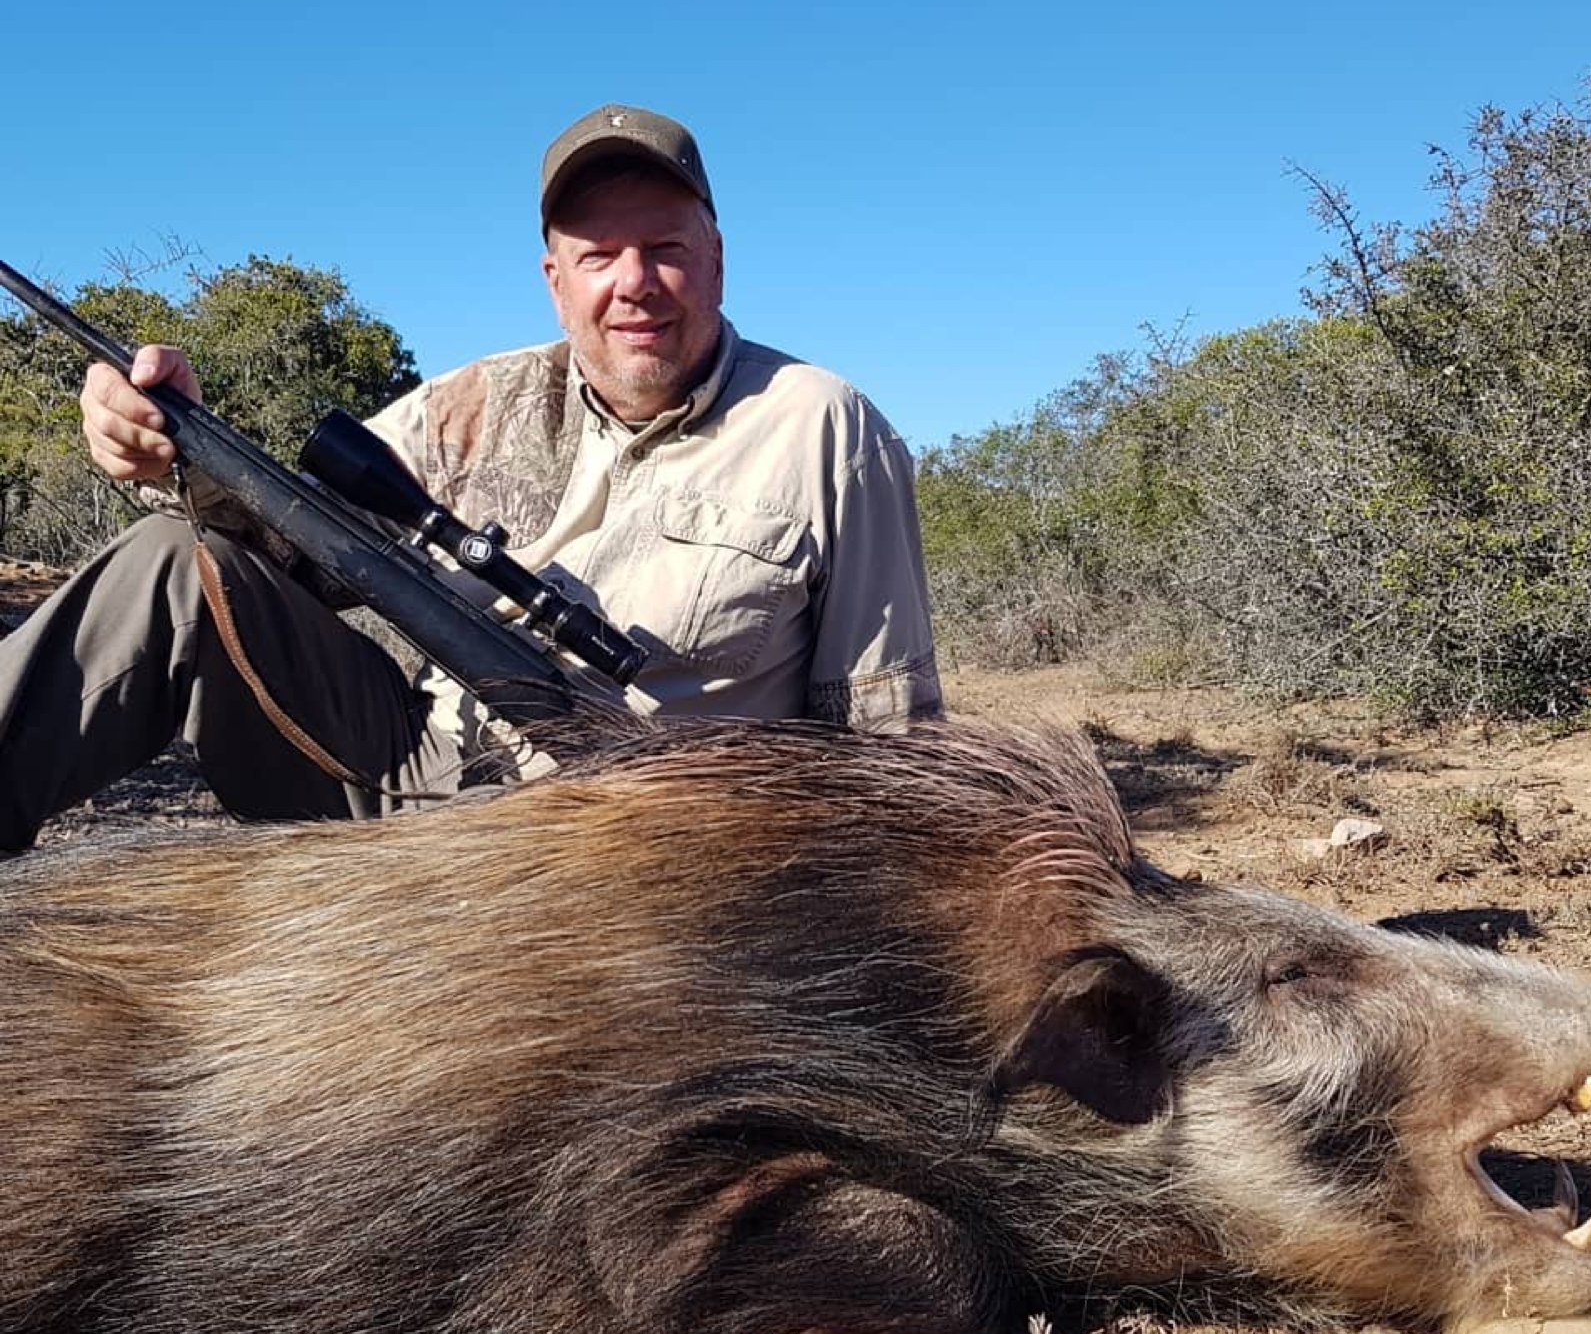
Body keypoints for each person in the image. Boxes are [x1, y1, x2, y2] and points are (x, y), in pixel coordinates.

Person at [0, 104, 941, 853]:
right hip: (427, 776)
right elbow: (286, 552)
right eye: (598, 257)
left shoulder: (823, 425)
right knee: (176, 560)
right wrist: (174, 446)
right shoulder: (468, 405)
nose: (635, 282)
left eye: (665, 249)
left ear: (718, 260)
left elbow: (884, 734)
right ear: (554, 280)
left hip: (657, 844)